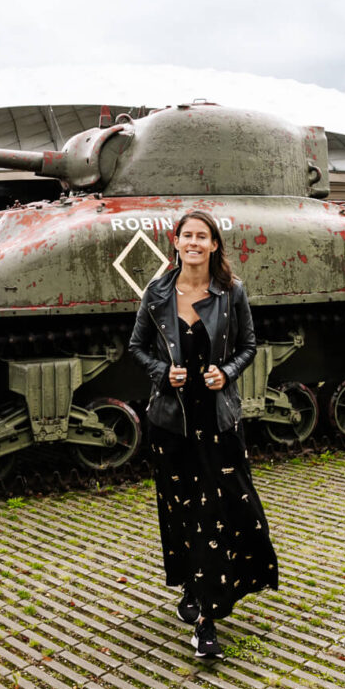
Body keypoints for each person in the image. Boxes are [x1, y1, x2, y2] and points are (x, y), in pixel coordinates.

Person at [129, 210, 279, 658]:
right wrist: (161, 372)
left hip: (217, 422)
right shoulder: (156, 293)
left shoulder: (232, 294)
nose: (193, 242)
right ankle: (195, 593)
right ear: (175, 242)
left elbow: (250, 345)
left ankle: (206, 621)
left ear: (214, 245)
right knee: (182, 514)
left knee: (219, 511)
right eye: (186, 235)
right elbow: (135, 347)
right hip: (171, 425)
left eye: (203, 236)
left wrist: (227, 373)